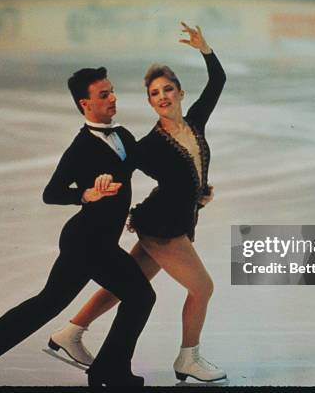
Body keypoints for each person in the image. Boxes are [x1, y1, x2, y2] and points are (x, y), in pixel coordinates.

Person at [0, 66, 156, 387]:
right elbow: (50, 193)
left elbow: (147, 163)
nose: (113, 98)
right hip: (89, 243)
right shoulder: (81, 147)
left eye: (111, 91)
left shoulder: (122, 136)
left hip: (94, 241)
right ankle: (111, 370)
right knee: (140, 297)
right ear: (85, 104)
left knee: (46, 304)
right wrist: (87, 194)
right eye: (104, 94)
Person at [49, 22, 227, 383]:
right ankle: (188, 358)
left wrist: (204, 48)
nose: (162, 96)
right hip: (163, 229)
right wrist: (94, 184)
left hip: (171, 221)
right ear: (150, 102)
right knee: (203, 287)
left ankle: (70, 332)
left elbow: (218, 82)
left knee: (122, 287)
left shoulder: (196, 123)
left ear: (180, 92)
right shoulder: (150, 144)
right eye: (154, 93)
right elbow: (117, 166)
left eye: (167, 89)